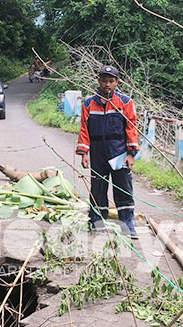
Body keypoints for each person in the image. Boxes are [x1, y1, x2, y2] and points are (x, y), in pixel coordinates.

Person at [76, 65, 139, 239]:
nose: (107, 84)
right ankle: (96, 221)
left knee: (123, 189)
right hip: (97, 153)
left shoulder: (125, 102)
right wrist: (84, 153)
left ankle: (128, 224)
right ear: (98, 81)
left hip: (119, 152)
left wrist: (131, 153)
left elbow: (132, 127)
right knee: (98, 188)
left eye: (111, 81)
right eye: (104, 80)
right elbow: (84, 129)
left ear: (117, 82)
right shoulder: (89, 103)